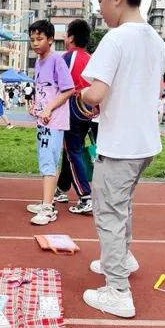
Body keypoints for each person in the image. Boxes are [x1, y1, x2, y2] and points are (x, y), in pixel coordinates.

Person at [80, 0, 165, 318]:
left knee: (108, 214)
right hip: (145, 143)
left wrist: (82, 95)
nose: (99, 10)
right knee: (123, 207)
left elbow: (97, 93)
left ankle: (118, 290)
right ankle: (122, 259)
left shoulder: (116, 39)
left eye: (100, 0)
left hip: (119, 146)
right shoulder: (158, 43)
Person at [24, 19, 74, 226]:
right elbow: (43, 89)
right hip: (43, 121)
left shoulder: (56, 61)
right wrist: (36, 105)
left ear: (51, 40)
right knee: (45, 161)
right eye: (32, 39)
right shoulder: (39, 62)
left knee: (49, 163)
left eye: (39, 39)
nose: (35, 43)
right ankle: (47, 201)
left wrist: (48, 108)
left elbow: (69, 89)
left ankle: (48, 208)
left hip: (54, 121)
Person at [55, 18, 97, 214]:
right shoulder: (90, 59)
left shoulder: (66, 58)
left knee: (73, 152)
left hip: (71, 105)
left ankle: (85, 196)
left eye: (65, 34)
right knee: (72, 149)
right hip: (87, 108)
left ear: (70, 37)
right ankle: (62, 189)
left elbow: (60, 86)